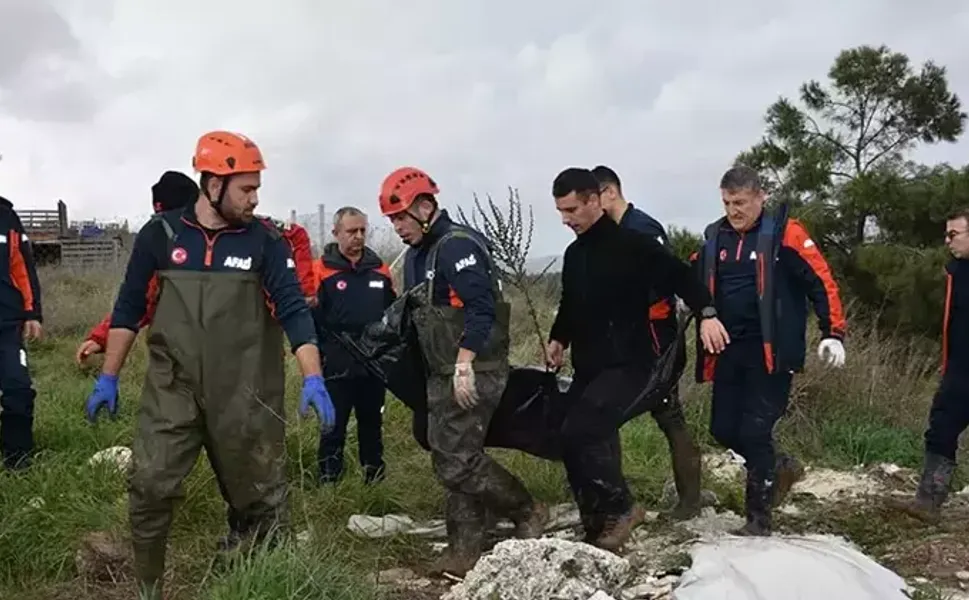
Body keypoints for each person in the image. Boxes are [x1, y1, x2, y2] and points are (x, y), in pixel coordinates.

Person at [82, 130, 335, 600]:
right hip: (172, 387)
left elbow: (294, 311)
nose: (255, 198)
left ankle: (256, 584)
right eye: (246, 188)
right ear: (213, 184)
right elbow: (129, 309)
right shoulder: (161, 235)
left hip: (246, 392)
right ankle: (148, 589)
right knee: (150, 486)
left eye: (257, 188)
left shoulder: (266, 242)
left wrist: (313, 377)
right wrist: (108, 377)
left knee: (260, 497)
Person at [545, 167, 729, 551]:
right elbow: (570, 303)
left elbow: (681, 277)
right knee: (567, 432)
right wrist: (558, 338)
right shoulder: (575, 254)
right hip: (590, 364)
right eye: (560, 211)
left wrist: (708, 313)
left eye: (572, 210)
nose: (565, 220)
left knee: (585, 427)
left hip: (630, 364)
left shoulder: (633, 244)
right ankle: (596, 520)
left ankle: (624, 508)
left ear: (595, 200)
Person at [379, 166, 547, 576]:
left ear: (424, 207)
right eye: (393, 220)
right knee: (452, 451)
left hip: (473, 367)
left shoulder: (457, 246)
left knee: (455, 459)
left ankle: (526, 508)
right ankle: (464, 550)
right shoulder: (419, 253)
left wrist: (465, 362)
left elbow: (482, 308)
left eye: (401, 217)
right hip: (440, 367)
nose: (397, 227)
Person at [690, 165, 846, 536]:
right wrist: (699, 311)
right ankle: (779, 467)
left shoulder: (784, 235)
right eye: (727, 203)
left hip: (772, 352)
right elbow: (692, 280)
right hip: (728, 350)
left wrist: (833, 332)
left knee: (755, 430)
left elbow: (821, 281)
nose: (733, 211)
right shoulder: (715, 238)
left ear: (761, 197)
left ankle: (758, 519)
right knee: (723, 429)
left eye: (741, 203)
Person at [74, 171, 317, 364]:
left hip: (251, 358)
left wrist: (304, 288)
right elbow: (139, 301)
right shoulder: (166, 244)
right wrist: (101, 338)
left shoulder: (251, 230)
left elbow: (295, 234)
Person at [593, 164, 701, 521]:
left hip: (657, 342)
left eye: (593, 198)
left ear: (610, 193)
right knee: (667, 417)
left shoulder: (643, 230)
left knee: (615, 416)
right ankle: (681, 503)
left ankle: (626, 507)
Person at [889, 208, 969, 523]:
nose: (947, 241)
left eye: (954, 234)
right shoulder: (956, 271)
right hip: (960, 369)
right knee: (941, 428)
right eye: (946, 234)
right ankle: (928, 502)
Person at [313, 206, 396, 485]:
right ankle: (329, 483)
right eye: (351, 231)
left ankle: (375, 482)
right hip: (335, 363)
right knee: (332, 427)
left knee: (372, 425)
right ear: (336, 233)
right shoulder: (320, 271)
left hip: (373, 363)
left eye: (362, 230)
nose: (358, 236)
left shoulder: (380, 270)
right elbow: (310, 319)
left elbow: (392, 314)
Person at [0, 195, 42, 471]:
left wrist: (32, 313)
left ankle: (18, 462)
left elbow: (22, 268)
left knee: (18, 389)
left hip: (7, 323)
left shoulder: (6, 217)